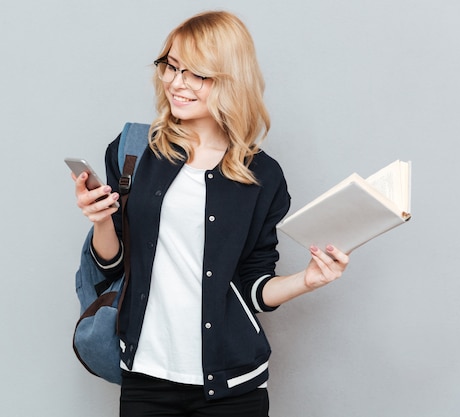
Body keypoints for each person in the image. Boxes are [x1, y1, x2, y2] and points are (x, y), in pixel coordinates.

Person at [72, 10, 349, 417]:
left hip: (232, 384)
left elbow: (253, 287)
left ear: (229, 79)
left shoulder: (262, 176)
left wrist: (307, 280)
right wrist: (100, 219)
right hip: (146, 377)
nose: (175, 83)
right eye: (171, 66)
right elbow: (111, 261)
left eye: (195, 73)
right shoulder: (134, 150)